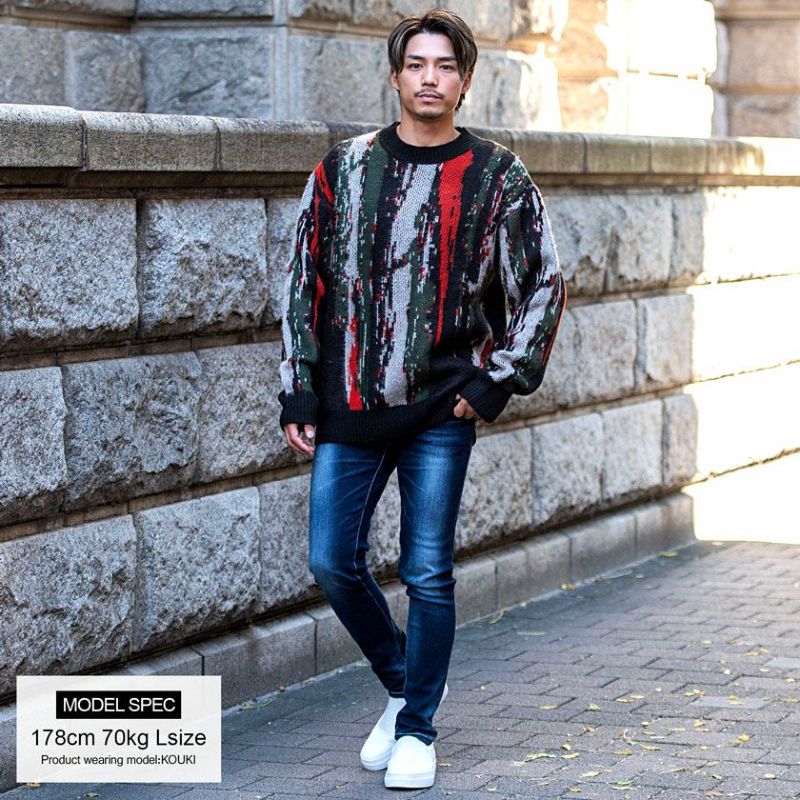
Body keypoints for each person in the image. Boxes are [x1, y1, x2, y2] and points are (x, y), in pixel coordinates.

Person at [278, 8, 567, 790]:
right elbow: (302, 280)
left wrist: (494, 379)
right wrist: (299, 388)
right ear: (396, 75)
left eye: (444, 66)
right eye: (416, 65)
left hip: (443, 406)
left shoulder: (498, 175)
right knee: (331, 561)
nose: (429, 78)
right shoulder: (343, 169)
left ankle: (417, 730)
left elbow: (544, 285)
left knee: (428, 570)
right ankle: (406, 685)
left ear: (464, 81)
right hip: (350, 402)